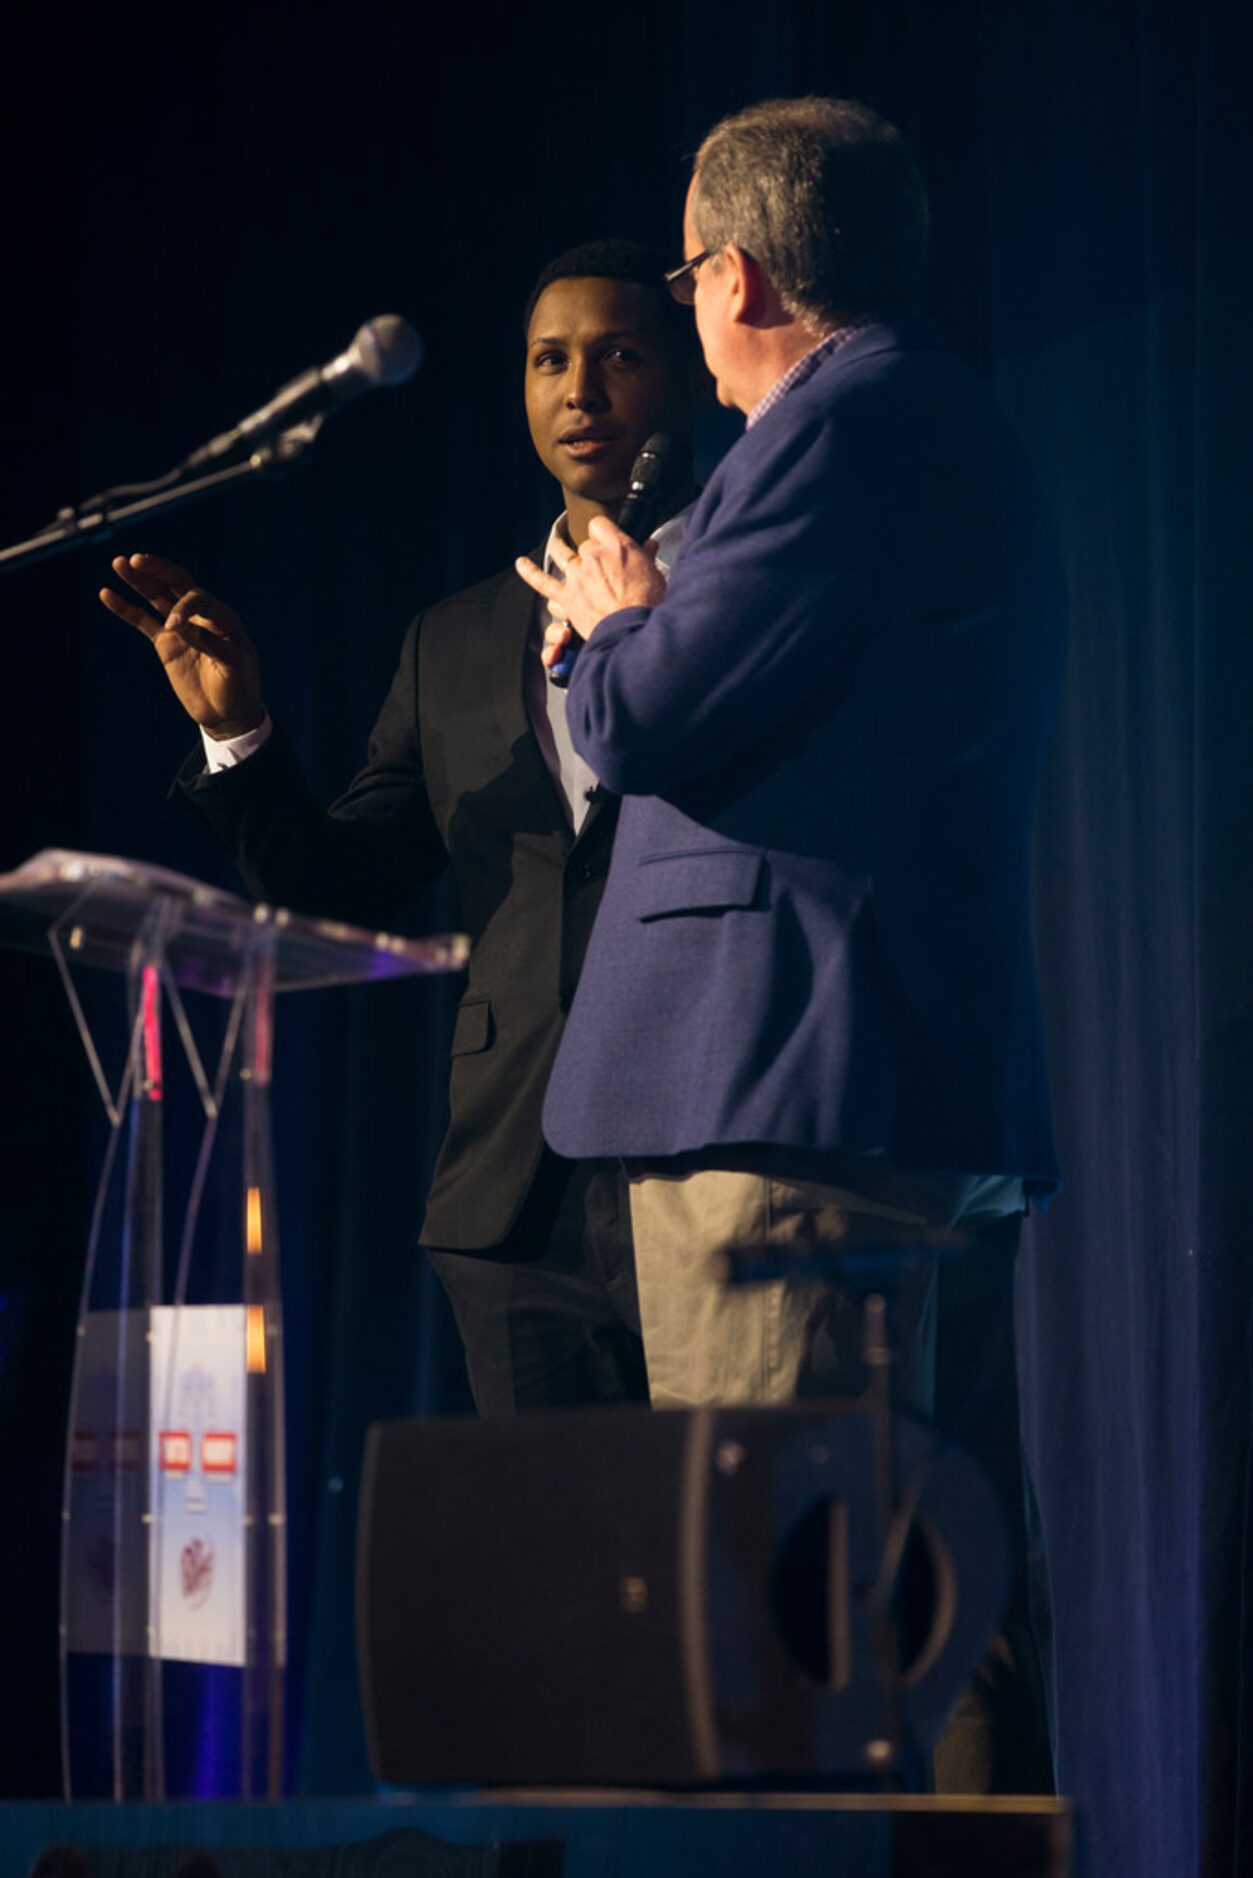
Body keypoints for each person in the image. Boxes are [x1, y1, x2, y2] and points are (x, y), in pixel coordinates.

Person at [517, 101, 1067, 1793]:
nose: (684, 311)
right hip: (899, 1092)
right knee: (938, 1591)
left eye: (682, 278)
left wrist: (611, 618)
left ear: (736, 272)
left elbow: (652, 715)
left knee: (782, 1600)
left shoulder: (832, 426)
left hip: (785, 1105)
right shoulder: (941, 417)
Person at [98, 240, 702, 1418]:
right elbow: (340, 889)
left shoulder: (742, 586)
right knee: (552, 1582)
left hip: (705, 1156)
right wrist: (242, 734)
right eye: (547, 361)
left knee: (721, 1575)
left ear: (685, 373)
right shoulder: (456, 641)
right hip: (512, 1197)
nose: (578, 390)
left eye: (618, 354)